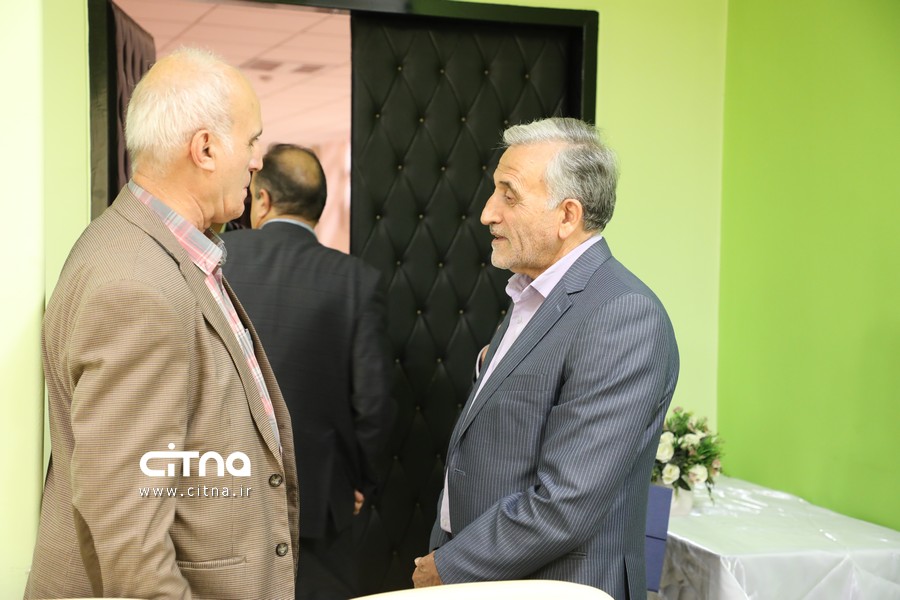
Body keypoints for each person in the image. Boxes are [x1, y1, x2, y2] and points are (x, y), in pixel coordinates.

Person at [25, 48, 299, 600]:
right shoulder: (137, 281)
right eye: (251, 142)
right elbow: (128, 529)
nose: (256, 162)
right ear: (205, 148)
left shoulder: (153, 249)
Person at [412, 117, 680, 599]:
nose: (487, 213)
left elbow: (566, 501)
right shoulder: (532, 295)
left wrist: (450, 566)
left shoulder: (622, 314)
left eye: (509, 195)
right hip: (489, 574)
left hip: (556, 585)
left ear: (567, 216)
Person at [222, 144, 395, 600]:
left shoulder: (216, 261)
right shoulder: (356, 281)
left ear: (262, 199)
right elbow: (373, 403)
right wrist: (359, 481)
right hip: (320, 505)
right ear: (318, 208)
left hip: (221, 497)